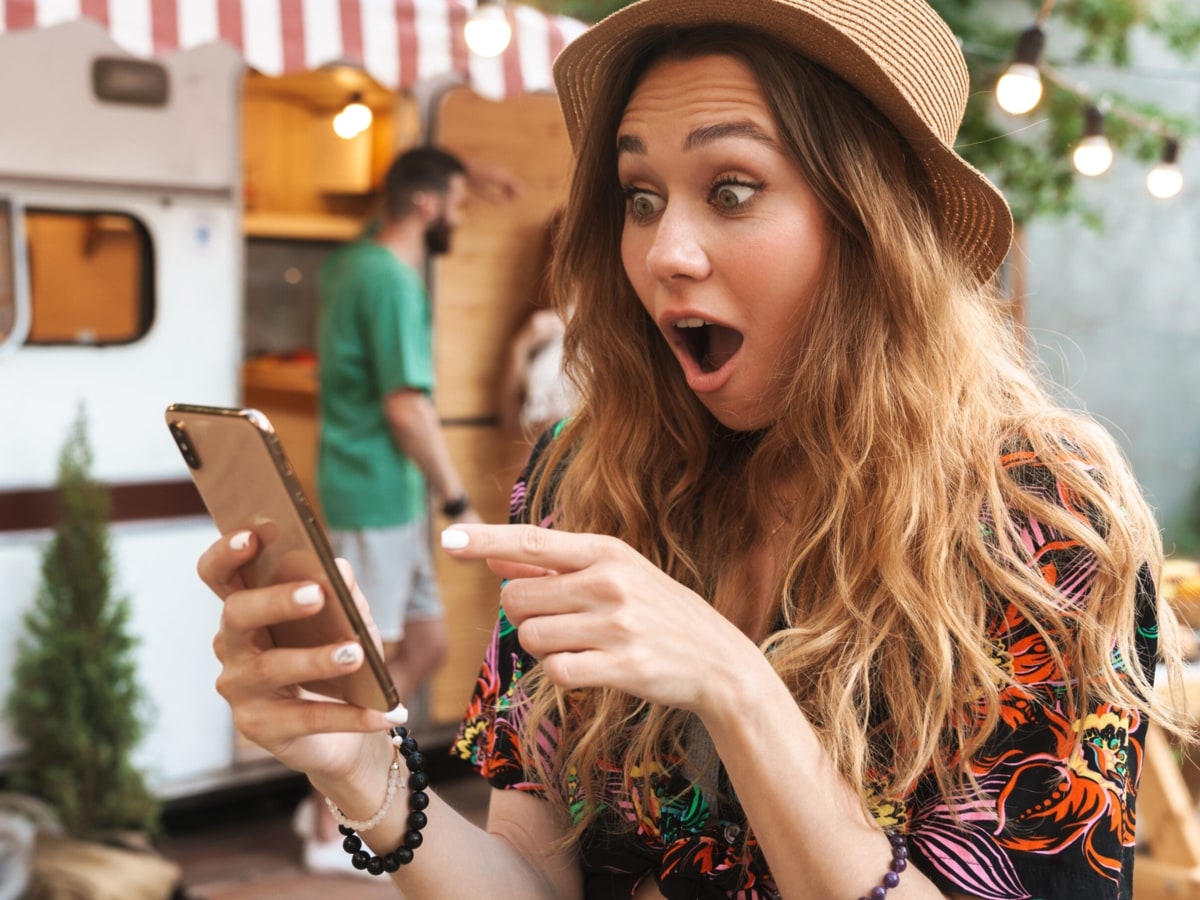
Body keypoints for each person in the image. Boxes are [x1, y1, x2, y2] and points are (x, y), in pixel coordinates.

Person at [198, 0, 1193, 897]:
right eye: (640, 196)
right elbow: (533, 878)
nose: (664, 252)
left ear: (871, 226)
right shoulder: (582, 477)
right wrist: (364, 773)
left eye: (731, 189)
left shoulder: (1042, 520)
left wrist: (735, 686)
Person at [297, 145, 484, 874]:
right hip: (377, 494)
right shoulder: (391, 281)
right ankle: (327, 822)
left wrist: (482, 175)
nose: (463, 216)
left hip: (381, 494)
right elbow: (407, 406)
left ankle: (336, 785)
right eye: (459, 203)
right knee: (364, 665)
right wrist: (457, 498)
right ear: (427, 205)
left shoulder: (352, 261)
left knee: (428, 643)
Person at [498, 211, 578, 451]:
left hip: (579, 464)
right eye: (558, 252)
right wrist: (520, 345)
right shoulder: (536, 321)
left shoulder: (611, 329)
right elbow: (508, 421)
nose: (566, 265)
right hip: (532, 463)